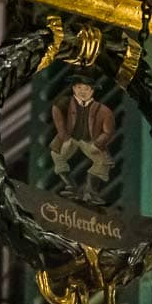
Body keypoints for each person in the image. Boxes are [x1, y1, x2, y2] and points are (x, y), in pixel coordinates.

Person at [50, 73, 116, 205]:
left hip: (90, 141)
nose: (83, 92)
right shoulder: (66, 102)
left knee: (103, 162)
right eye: (79, 87)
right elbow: (56, 110)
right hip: (71, 138)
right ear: (74, 88)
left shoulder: (103, 110)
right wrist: (64, 136)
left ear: (92, 91)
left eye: (86, 88)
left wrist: (97, 144)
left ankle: (91, 192)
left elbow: (108, 132)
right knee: (57, 154)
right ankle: (71, 187)